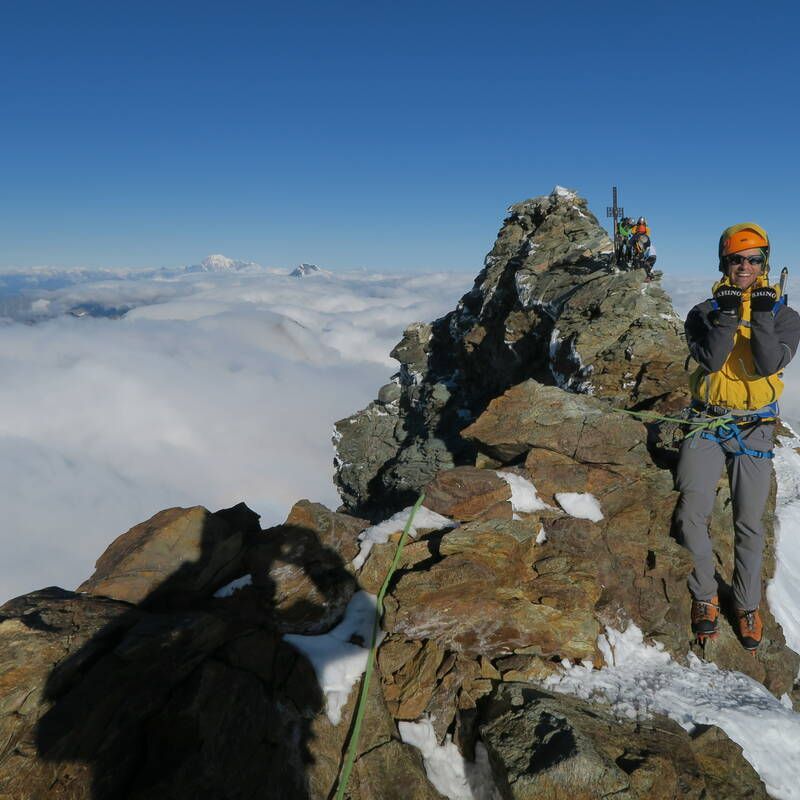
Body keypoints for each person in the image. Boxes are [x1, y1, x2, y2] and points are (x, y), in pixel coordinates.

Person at [675, 223, 800, 650]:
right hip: (707, 422)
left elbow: (767, 364)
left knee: (748, 522)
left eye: (753, 259)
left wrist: (761, 316)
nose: (744, 266)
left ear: (765, 263)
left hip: (755, 426)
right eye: (736, 259)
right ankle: (705, 595)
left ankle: (747, 605)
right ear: (723, 262)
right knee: (692, 511)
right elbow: (710, 361)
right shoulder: (702, 312)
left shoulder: (785, 316)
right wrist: (728, 315)